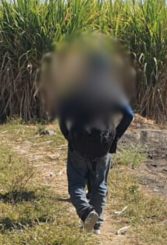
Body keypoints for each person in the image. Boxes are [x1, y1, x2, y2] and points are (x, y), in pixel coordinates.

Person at [56, 50, 134, 234]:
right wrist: (115, 137)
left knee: (76, 185)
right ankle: (96, 225)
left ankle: (86, 212)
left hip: (79, 143)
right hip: (102, 145)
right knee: (99, 186)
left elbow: (62, 116)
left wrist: (68, 136)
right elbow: (129, 115)